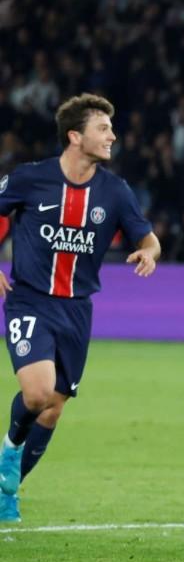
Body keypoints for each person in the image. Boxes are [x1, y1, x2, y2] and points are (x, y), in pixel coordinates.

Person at [0, 94, 161, 522]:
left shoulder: (115, 191)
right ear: (76, 136)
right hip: (30, 299)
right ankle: (10, 451)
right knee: (36, 392)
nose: (112, 135)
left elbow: (147, 237)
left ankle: (8, 491)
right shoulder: (30, 179)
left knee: (53, 406)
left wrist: (149, 253)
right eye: (103, 128)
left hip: (76, 310)